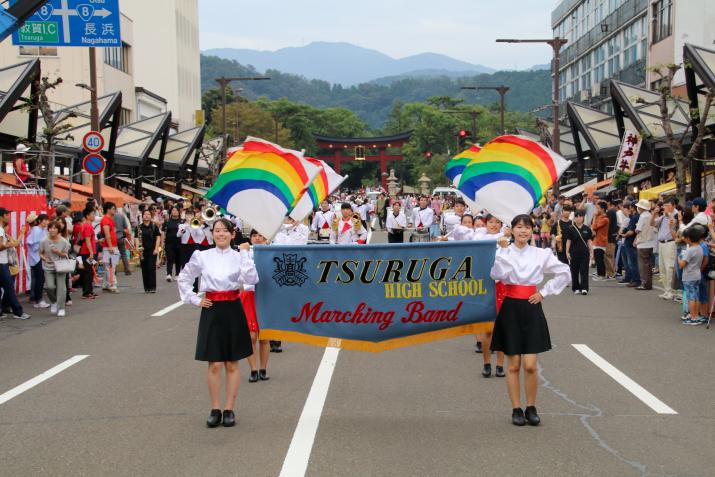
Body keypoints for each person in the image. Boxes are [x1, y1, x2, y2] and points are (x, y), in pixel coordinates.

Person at [490, 214, 570, 426]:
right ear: (512, 230)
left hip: (532, 306)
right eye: (518, 227)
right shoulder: (502, 251)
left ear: (532, 230)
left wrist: (544, 292)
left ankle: (531, 407)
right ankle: (516, 408)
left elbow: (564, 271)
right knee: (514, 364)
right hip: (510, 307)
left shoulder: (540, 254)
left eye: (527, 227)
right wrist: (504, 251)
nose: (523, 231)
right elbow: (496, 275)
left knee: (531, 365)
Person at [178, 218, 258, 428]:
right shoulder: (201, 256)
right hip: (211, 309)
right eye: (217, 231)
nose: (221, 234)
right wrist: (195, 299)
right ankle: (215, 408)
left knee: (232, 363)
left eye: (225, 231)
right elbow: (184, 277)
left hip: (233, 307)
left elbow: (251, 279)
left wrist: (245, 254)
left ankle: (229, 408)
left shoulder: (240, 255)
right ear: (212, 234)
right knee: (214, 363)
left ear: (233, 234)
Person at [242, 229, 270, 382]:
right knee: (251, 336)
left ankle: (263, 368)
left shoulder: (272, 253)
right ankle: (253, 369)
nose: (258, 238)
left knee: (264, 337)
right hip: (249, 295)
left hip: (266, 296)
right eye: (254, 235)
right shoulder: (245, 253)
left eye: (261, 235)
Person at [0, 208, 30, 320]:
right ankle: (18, 312)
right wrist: (8, 245)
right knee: (9, 288)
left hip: (3, 263)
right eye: (7, 214)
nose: (8, 217)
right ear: (2, 216)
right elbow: (0, 246)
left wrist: (20, 235)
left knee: (7, 288)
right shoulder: (0, 229)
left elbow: (15, 243)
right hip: (2, 264)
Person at [39, 220, 71, 317]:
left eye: (55, 228)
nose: (52, 230)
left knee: (62, 288)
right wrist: (45, 258)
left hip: (60, 266)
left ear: (58, 230)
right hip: (48, 267)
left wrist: (58, 252)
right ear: (48, 229)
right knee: (49, 287)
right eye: (50, 228)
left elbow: (66, 255)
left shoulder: (64, 241)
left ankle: (61, 308)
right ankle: (54, 302)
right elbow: (40, 253)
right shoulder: (44, 241)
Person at [678, 227, 707, 325]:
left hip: (689, 276)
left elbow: (682, 265)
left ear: (689, 238)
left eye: (685, 238)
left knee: (690, 298)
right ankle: (696, 316)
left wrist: (679, 259)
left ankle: (693, 317)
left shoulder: (690, 250)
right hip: (697, 275)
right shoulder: (700, 247)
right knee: (696, 297)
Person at [653, 198, 679, 300]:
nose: (664, 207)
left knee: (669, 267)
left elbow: (675, 224)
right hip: (661, 243)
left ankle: (672, 291)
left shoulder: (676, 214)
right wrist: (654, 214)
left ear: (672, 205)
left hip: (670, 243)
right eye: (664, 206)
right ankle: (666, 289)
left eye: (667, 205)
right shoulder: (664, 216)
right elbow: (653, 224)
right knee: (662, 267)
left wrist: (667, 214)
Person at [566, 210, 593, 295]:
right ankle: (576, 288)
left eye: (580, 216)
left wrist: (591, 252)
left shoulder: (587, 229)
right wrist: (567, 252)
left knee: (584, 271)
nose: (578, 218)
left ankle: (584, 288)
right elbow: (568, 241)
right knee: (574, 271)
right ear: (574, 218)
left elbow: (589, 241)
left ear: (583, 217)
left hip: (585, 253)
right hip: (574, 253)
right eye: (576, 217)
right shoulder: (571, 229)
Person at [26, 213, 50, 308]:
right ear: (39, 221)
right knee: (39, 279)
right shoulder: (36, 230)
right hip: (37, 257)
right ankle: (38, 300)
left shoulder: (40, 230)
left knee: (39, 278)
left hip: (38, 256)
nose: (47, 222)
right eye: (45, 220)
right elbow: (31, 243)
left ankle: (37, 299)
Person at [136, 209, 161, 293]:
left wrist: (156, 248)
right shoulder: (139, 227)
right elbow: (136, 238)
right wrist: (137, 248)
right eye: (145, 214)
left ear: (151, 216)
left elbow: (158, 237)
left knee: (151, 268)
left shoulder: (154, 226)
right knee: (144, 269)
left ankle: (152, 287)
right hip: (142, 251)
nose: (146, 215)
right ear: (142, 216)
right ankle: (146, 288)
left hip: (152, 250)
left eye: (148, 214)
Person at [634, 199, 656, 290]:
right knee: (648, 265)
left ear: (641, 208)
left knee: (643, 265)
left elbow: (638, 229)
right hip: (651, 242)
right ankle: (648, 283)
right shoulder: (650, 215)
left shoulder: (642, 216)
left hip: (643, 242)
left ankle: (644, 283)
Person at [78, 208, 98, 300]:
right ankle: (86, 292)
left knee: (90, 272)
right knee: (88, 272)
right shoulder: (87, 226)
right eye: (92, 214)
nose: (94, 215)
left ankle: (89, 291)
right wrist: (90, 252)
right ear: (87, 216)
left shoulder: (88, 225)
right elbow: (87, 240)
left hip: (88, 251)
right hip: (86, 252)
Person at [100, 202, 120, 293]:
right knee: (111, 267)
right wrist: (110, 246)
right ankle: (112, 284)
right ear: (108, 209)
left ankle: (106, 284)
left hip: (110, 246)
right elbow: (107, 234)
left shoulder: (109, 219)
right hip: (109, 247)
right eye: (113, 208)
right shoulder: (106, 220)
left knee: (109, 266)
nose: (114, 210)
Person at [162, 206, 182, 282]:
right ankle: (169, 274)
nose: (175, 211)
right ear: (171, 212)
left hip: (179, 243)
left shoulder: (182, 221)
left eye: (176, 210)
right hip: (169, 242)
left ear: (179, 212)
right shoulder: (167, 221)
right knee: (169, 258)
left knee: (178, 259)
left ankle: (177, 274)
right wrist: (162, 242)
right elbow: (163, 232)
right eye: (173, 210)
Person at [591, 202, 609, 281]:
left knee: (599, 259)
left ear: (603, 209)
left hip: (601, 241)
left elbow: (594, 226)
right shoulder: (600, 217)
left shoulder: (605, 219)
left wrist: (594, 217)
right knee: (598, 259)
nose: (597, 210)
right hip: (597, 240)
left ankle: (602, 275)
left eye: (598, 208)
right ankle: (600, 274)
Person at [114, 205, 132, 276]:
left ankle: (114, 271)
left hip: (113, 238)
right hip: (121, 237)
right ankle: (127, 270)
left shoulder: (110, 217)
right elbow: (125, 227)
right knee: (123, 254)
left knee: (114, 254)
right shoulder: (121, 216)